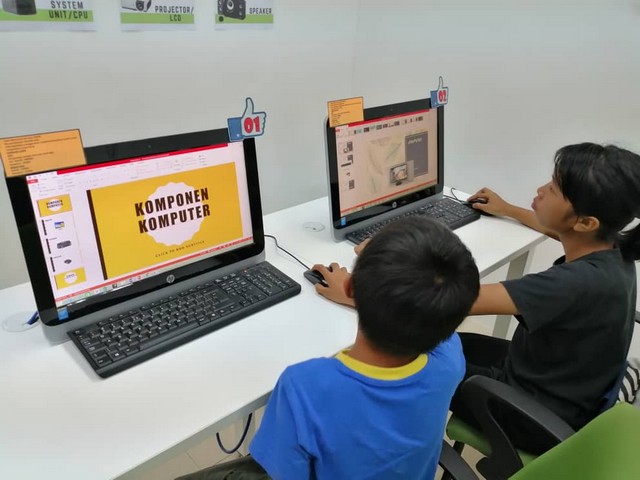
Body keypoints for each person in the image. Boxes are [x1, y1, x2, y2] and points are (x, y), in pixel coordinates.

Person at [314, 142, 640, 454]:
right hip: (561, 389)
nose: (541, 189)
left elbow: (445, 302)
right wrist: (508, 210)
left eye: (554, 189)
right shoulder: (612, 250)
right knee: (453, 344)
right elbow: (558, 230)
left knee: (402, 358)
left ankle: (361, 444)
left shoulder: (573, 284)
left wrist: (357, 290)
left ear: (586, 222)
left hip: (530, 415)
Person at [177, 217, 480, 480]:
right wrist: (373, 278)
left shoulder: (304, 387)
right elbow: (427, 315)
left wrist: (370, 267)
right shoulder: (450, 360)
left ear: (349, 288)